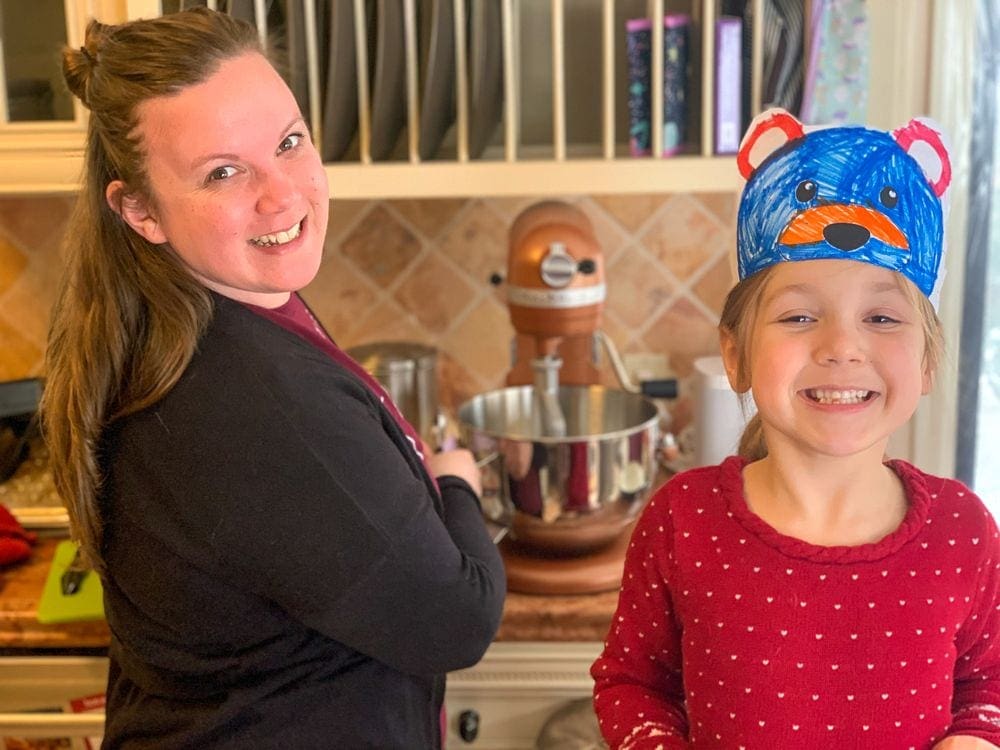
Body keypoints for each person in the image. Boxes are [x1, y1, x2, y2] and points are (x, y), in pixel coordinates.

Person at [41, 8, 505, 748]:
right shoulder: (250, 402)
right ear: (140, 210)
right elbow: (456, 618)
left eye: (289, 143)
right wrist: (457, 487)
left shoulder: (194, 316)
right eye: (223, 173)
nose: (282, 195)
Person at [591, 108, 1000, 749]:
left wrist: (974, 740)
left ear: (925, 361)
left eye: (884, 319)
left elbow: (988, 685)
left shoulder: (964, 531)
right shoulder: (683, 520)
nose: (842, 346)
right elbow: (632, 683)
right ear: (736, 356)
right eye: (799, 316)